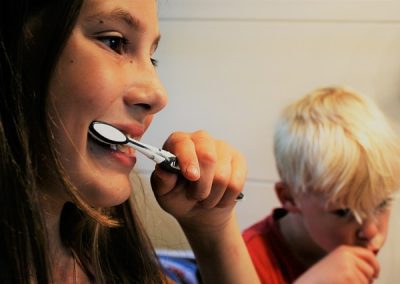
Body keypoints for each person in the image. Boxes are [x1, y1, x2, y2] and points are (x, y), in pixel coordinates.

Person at [0, 0, 259, 283]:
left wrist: (212, 231)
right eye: (115, 42)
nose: (159, 95)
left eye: (152, 58)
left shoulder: (114, 261)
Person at [242, 87, 400, 284]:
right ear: (289, 197)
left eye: (382, 204)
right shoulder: (245, 265)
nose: (370, 232)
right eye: (344, 211)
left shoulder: (349, 247)